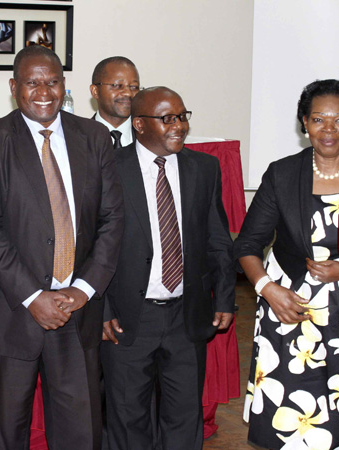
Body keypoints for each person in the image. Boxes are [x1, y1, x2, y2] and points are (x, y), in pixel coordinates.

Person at [235, 79, 339, 450]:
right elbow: (247, 245)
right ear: (304, 122)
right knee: (297, 414)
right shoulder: (282, 174)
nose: (329, 129)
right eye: (318, 119)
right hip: (291, 310)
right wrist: (268, 290)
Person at [0, 45, 124, 450]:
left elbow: (111, 220)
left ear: (64, 86)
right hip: (10, 314)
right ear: (13, 86)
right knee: (7, 432)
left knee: (81, 432)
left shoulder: (94, 137)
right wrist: (33, 296)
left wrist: (84, 290)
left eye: (52, 82)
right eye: (32, 83)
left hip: (77, 312)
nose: (43, 92)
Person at [101, 86, 235, 450]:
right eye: (167, 118)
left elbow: (218, 238)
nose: (179, 126)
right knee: (127, 417)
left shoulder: (204, 168)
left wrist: (224, 297)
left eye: (182, 116)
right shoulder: (109, 168)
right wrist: (103, 308)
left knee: (184, 416)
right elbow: (92, 245)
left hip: (186, 314)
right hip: (129, 316)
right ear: (139, 124)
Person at [90, 57, 141, 148]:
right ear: (95, 91)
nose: (128, 93)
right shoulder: (77, 139)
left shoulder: (150, 137)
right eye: (117, 86)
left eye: (134, 87)